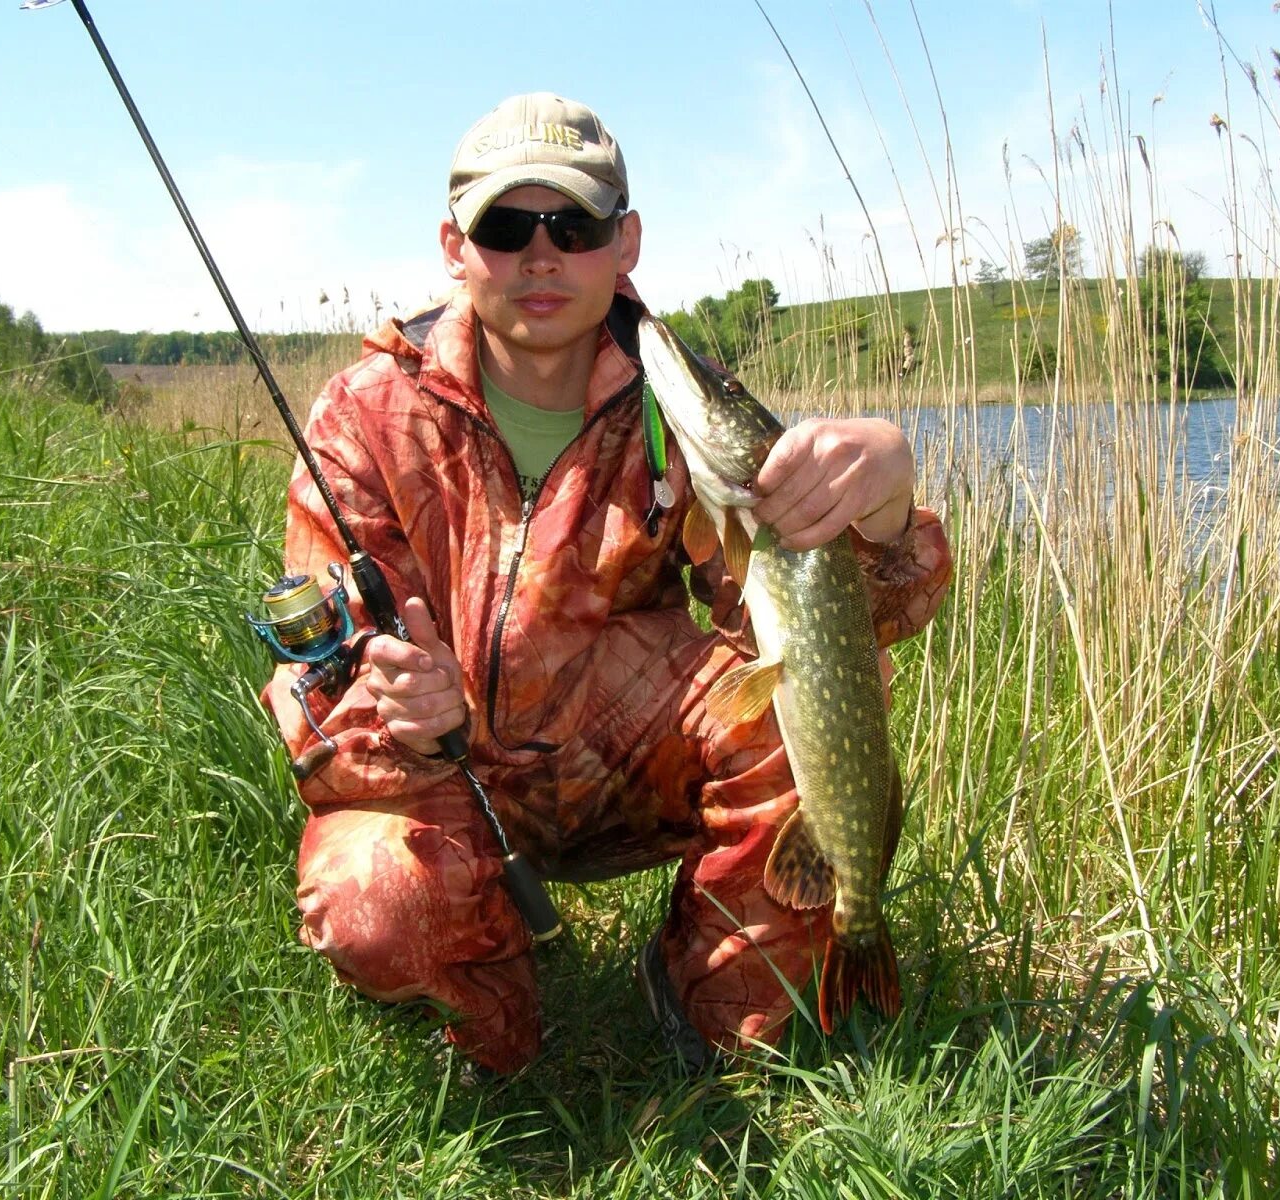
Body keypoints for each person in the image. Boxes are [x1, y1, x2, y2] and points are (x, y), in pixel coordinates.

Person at [262, 92, 951, 1076]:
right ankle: (489, 1032)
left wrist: (880, 507)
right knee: (372, 902)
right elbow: (318, 704)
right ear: (454, 247)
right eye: (506, 226)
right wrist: (390, 709)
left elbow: (846, 626)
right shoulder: (365, 418)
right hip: (445, 778)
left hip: (615, 766)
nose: (540, 255)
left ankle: (719, 1017)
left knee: (814, 711)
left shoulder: (676, 406)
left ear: (623, 242)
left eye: (574, 225)